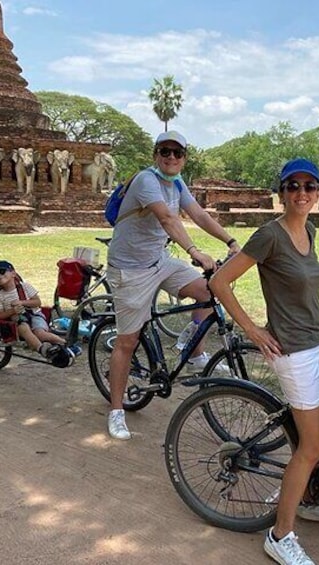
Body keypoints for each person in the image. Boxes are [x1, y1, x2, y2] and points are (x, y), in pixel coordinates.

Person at [208, 158, 319, 565]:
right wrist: (253, 330)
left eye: (310, 186)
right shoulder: (269, 235)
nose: (301, 194)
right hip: (292, 350)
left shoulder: (309, 229)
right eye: (293, 186)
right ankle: (279, 534)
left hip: (316, 342)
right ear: (281, 192)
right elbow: (219, 282)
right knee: (313, 444)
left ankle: (309, 501)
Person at [105, 131, 241, 440]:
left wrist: (231, 241)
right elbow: (167, 219)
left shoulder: (177, 184)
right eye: (165, 152)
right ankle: (116, 410)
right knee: (127, 341)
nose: (171, 158)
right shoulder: (145, 180)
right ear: (156, 155)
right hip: (130, 270)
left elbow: (199, 215)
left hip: (159, 260)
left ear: (184, 159)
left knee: (210, 291)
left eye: (177, 153)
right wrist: (195, 252)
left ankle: (193, 352)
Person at [0, 260, 81, 360]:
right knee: (23, 328)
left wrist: (22, 302)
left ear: (13, 273)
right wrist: (12, 311)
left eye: (2, 271)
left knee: (40, 334)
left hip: (35, 315)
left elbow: (37, 302)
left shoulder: (25, 287)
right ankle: (43, 350)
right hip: (17, 321)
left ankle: (65, 344)